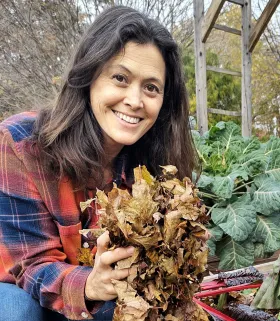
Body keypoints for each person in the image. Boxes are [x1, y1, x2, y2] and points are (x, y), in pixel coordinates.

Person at [0, 5, 197, 321]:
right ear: (89, 76)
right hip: (26, 291)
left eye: (151, 87)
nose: (135, 100)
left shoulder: (156, 166)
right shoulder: (21, 143)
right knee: (14, 309)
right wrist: (90, 282)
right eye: (120, 78)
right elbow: (30, 265)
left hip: (97, 301)